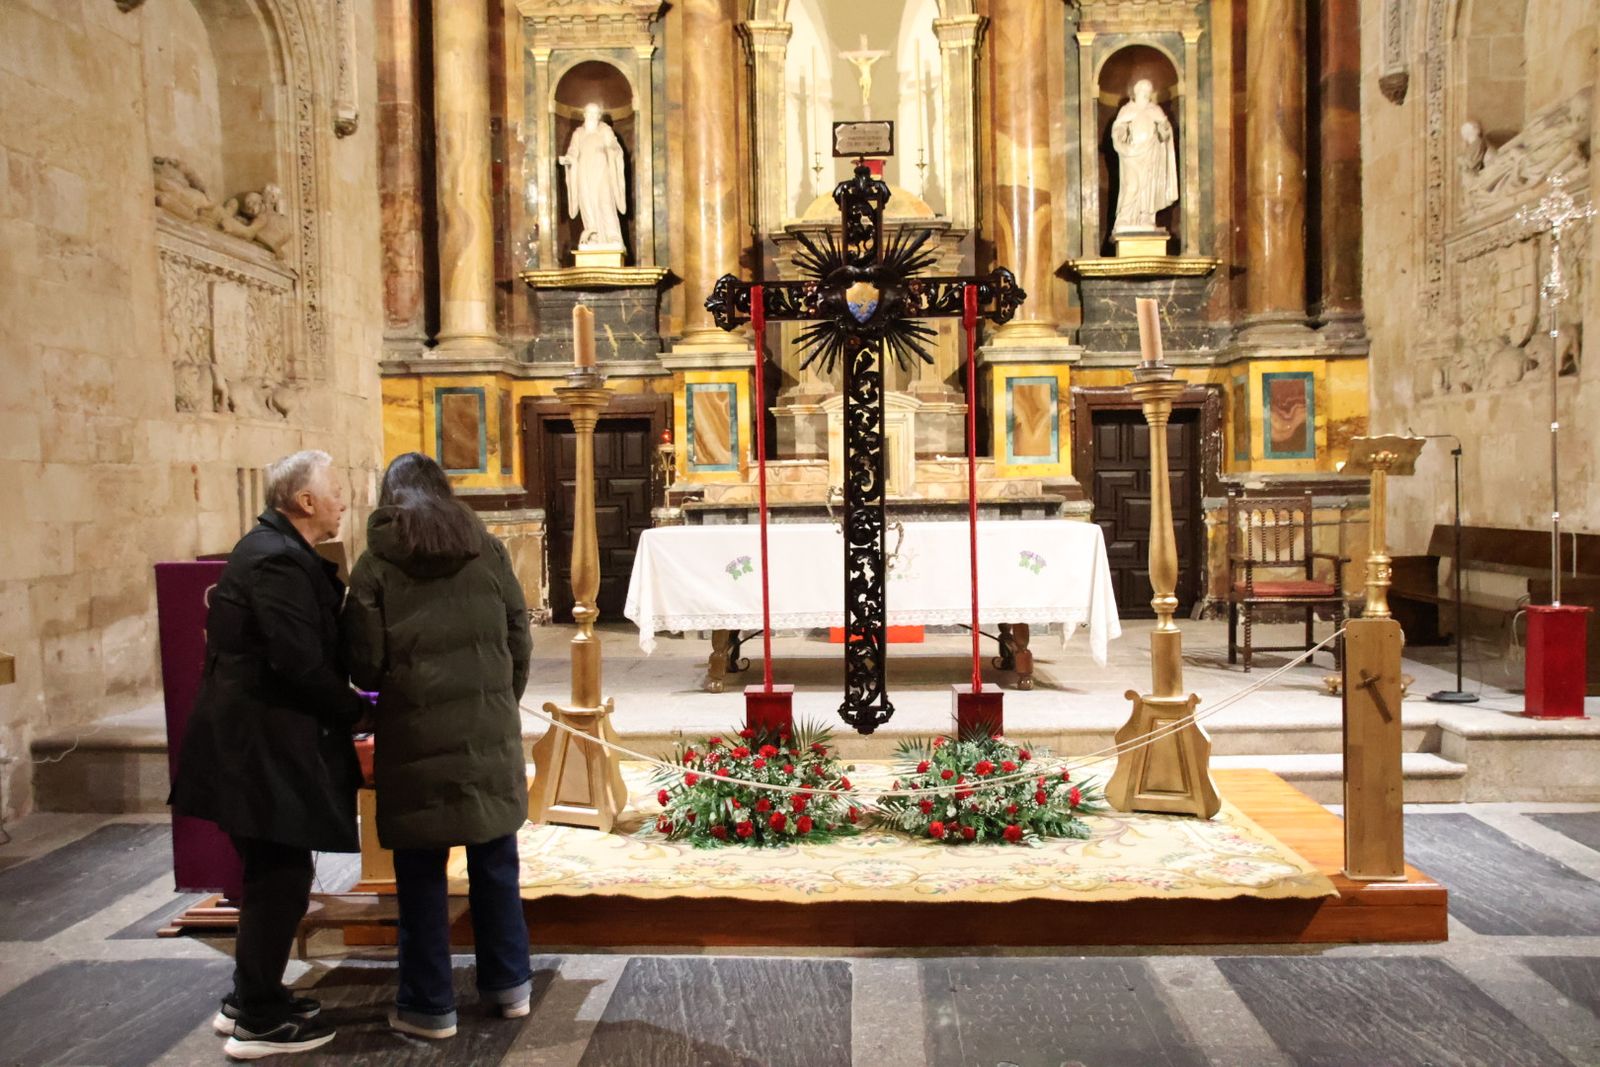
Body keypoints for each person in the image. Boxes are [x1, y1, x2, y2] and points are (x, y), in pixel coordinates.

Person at [170, 450, 364, 1059]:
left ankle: (251, 996)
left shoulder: (270, 549)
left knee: (272, 873)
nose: (342, 501)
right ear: (305, 502)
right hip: (261, 746)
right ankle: (259, 1019)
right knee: (280, 876)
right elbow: (298, 661)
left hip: (256, 740)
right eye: (335, 491)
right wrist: (359, 710)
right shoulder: (277, 560)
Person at [342, 452, 534, 1040]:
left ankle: (430, 1006)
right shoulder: (489, 549)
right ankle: (510, 989)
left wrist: (389, 697)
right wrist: (497, 700)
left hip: (415, 735)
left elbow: (364, 661)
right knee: (495, 862)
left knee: (421, 873)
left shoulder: (375, 564)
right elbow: (519, 635)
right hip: (487, 729)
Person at [1111, 78, 1179, 234]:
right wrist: (1121, 138)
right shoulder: (1127, 109)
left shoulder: (1155, 110)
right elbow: (1119, 128)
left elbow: (1164, 133)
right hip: (1132, 154)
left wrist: (1165, 129)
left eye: (1148, 92)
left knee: (1149, 187)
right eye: (1143, 92)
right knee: (1132, 185)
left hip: (1151, 153)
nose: (1146, 95)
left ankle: (1146, 218)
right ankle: (1125, 218)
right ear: (1137, 92)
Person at [558, 102, 627, 249]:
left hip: (602, 173)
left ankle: (612, 235)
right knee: (587, 202)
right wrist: (569, 159)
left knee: (606, 202)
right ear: (584, 115)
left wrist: (611, 150)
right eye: (589, 113)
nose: (592, 117)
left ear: (599, 116)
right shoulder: (579, 133)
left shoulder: (604, 130)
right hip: (584, 173)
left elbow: (614, 147)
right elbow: (573, 150)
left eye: (595, 114)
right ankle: (593, 235)